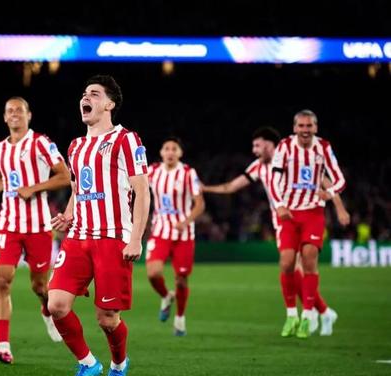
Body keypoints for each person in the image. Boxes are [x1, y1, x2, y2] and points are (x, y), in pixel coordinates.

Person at [48, 75, 150, 376]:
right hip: (79, 235)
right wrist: (69, 213)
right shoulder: (75, 146)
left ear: (109, 104)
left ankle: (119, 365)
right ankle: (88, 364)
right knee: (56, 305)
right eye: (83, 93)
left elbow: (142, 191)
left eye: (93, 93)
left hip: (113, 238)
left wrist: (136, 238)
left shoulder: (127, 140)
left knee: (107, 319)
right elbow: (78, 189)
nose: (85, 98)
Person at [203, 126, 349, 337]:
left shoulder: (293, 158)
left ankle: (316, 313)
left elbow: (325, 181)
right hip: (283, 222)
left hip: (306, 216)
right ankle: (322, 312)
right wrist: (205, 188)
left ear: (270, 144)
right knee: (292, 269)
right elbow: (231, 187)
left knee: (299, 268)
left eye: (257, 145)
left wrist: (340, 208)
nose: (254, 150)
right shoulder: (258, 166)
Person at [0, 97, 71, 364]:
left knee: (40, 286)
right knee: (2, 281)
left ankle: (46, 311)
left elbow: (65, 176)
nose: (15, 113)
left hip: (39, 226)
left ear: (29, 115)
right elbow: (3, 175)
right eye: (10, 110)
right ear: (5, 117)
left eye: (19, 110)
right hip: (8, 224)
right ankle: (3, 345)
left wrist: (34, 188)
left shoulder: (41, 143)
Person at [269, 110, 346, 338]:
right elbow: (274, 180)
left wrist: (330, 193)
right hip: (289, 213)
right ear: (294, 128)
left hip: (313, 212)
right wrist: (279, 205)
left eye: (309, 126)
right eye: (301, 126)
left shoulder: (324, 147)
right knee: (287, 263)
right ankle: (291, 314)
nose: (305, 130)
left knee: (309, 259)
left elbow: (339, 179)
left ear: (315, 127)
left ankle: (308, 315)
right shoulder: (284, 147)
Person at [146, 136, 204, 336]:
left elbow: (199, 203)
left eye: (174, 149)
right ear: (161, 152)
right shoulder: (152, 171)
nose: (170, 152)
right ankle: (166, 296)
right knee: (153, 273)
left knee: (181, 279)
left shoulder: (188, 173)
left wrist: (186, 221)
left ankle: (180, 319)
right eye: (167, 148)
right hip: (160, 231)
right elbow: (137, 188)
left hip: (183, 234)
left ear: (180, 153)